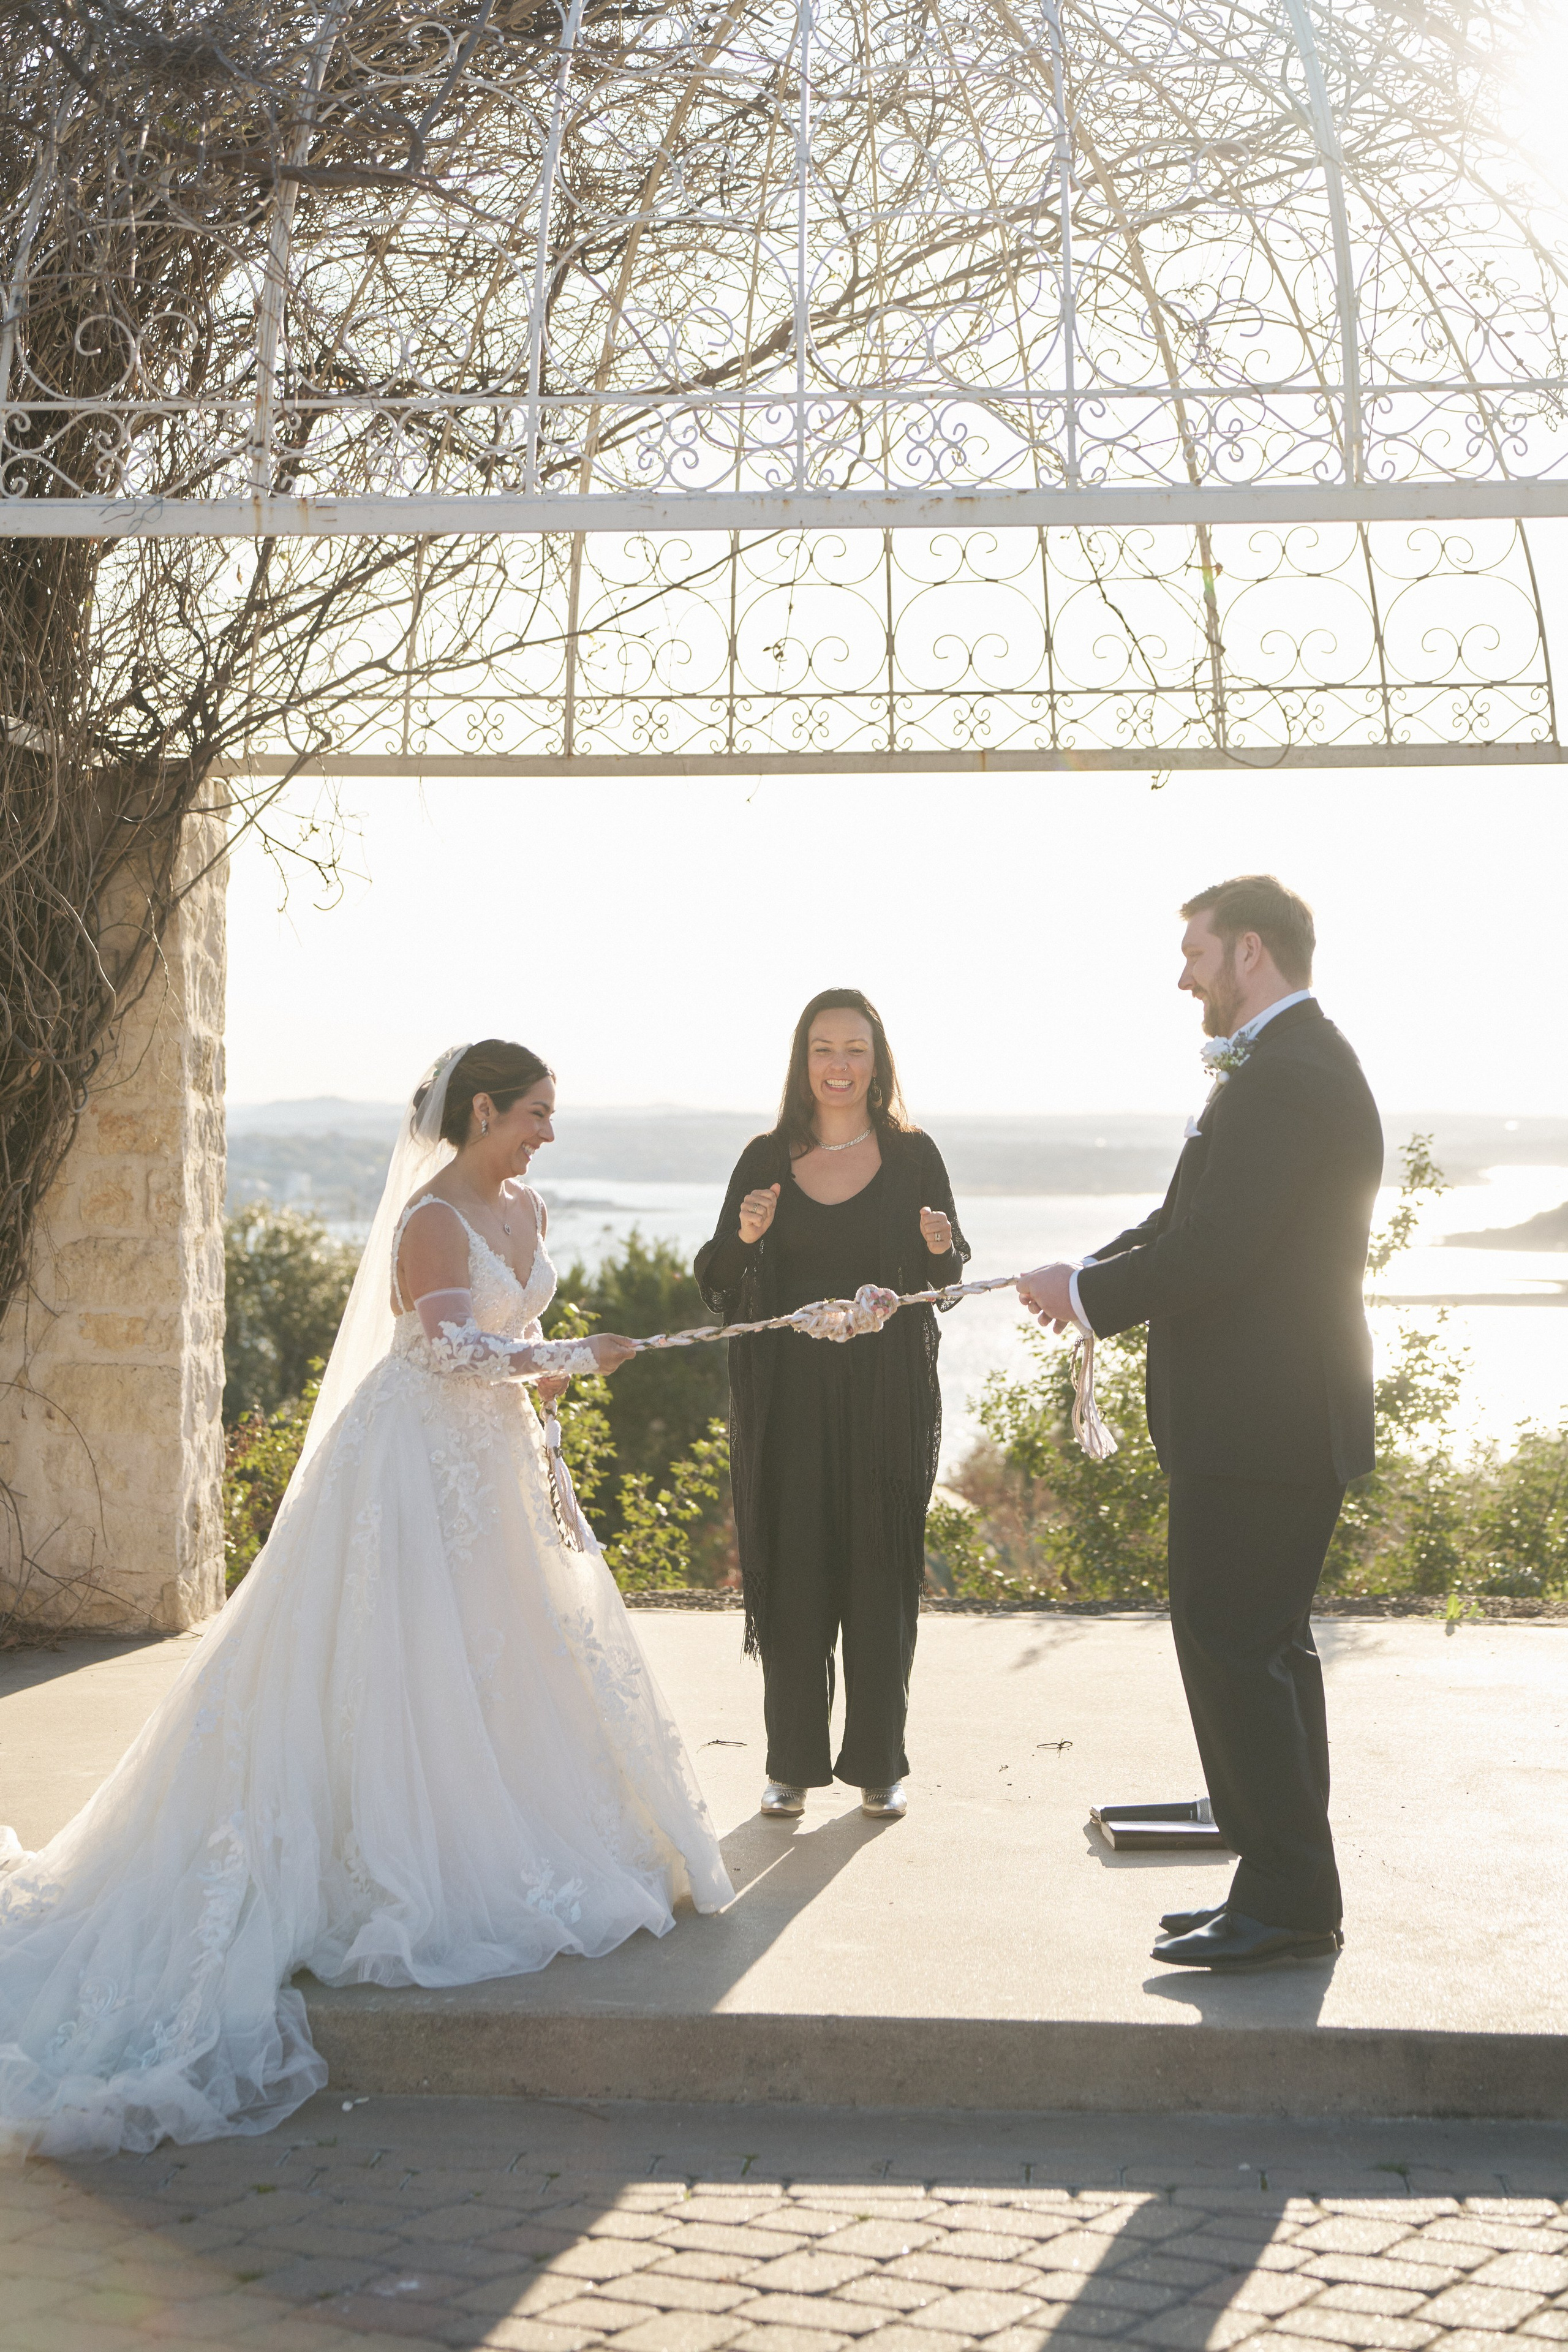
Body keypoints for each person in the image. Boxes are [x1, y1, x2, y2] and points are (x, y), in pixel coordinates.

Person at [0, 1041, 733, 2157]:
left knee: (507, 1650)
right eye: (536, 1111)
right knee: (402, 1659)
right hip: (412, 1464)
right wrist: (573, 1361)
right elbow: (445, 1348)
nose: (547, 1131)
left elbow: (514, 1339)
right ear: (483, 1108)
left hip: (493, 1462)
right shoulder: (432, 1221)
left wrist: (548, 1395)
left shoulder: (524, 1208)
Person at [1019, 877, 1382, 1972]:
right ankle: (1282, 1886)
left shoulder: (1283, 1079)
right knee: (1264, 1652)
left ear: (1251, 954)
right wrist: (1083, 1273)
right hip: (1271, 1422)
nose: (1185, 976)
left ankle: (1285, 1902)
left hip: (1264, 1426)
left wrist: (1089, 1301)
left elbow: (1221, 1250)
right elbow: (1188, 1220)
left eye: (1196, 954)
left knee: (1233, 1649)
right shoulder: (1287, 1066)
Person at [695, 989, 968, 1823]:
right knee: (799, 1574)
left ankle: (879, 1763)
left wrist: (938, 1249)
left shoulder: (915, 1156)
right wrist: (744, 1238)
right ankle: (791, 1766)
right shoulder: (765, 1158)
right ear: (802, 1060)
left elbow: (947, 1279)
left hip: (887, 1399)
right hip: (791, 1403)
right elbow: (714, 1282)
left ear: (877, 1060)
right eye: (823, 1049)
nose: (839, 1066)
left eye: (855, 1049)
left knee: (881, 1574)